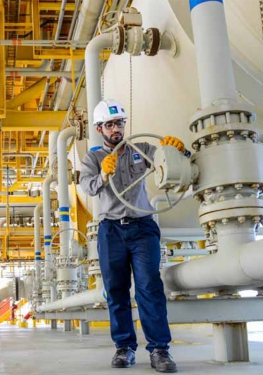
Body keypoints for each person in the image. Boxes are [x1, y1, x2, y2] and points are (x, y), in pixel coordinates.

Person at [79, 99, 183, 373]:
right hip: (110, 230)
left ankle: (160, 349)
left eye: (120, 123)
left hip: (142, 227)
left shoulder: (142, 148)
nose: (117, 129)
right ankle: (124, 348)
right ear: (100, 128)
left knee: (150, 287)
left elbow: (167, 163)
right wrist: (103, 175)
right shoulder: (93, 158)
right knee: (116, 290)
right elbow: (88, 188)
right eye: (111, 125)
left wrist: (175, 150)